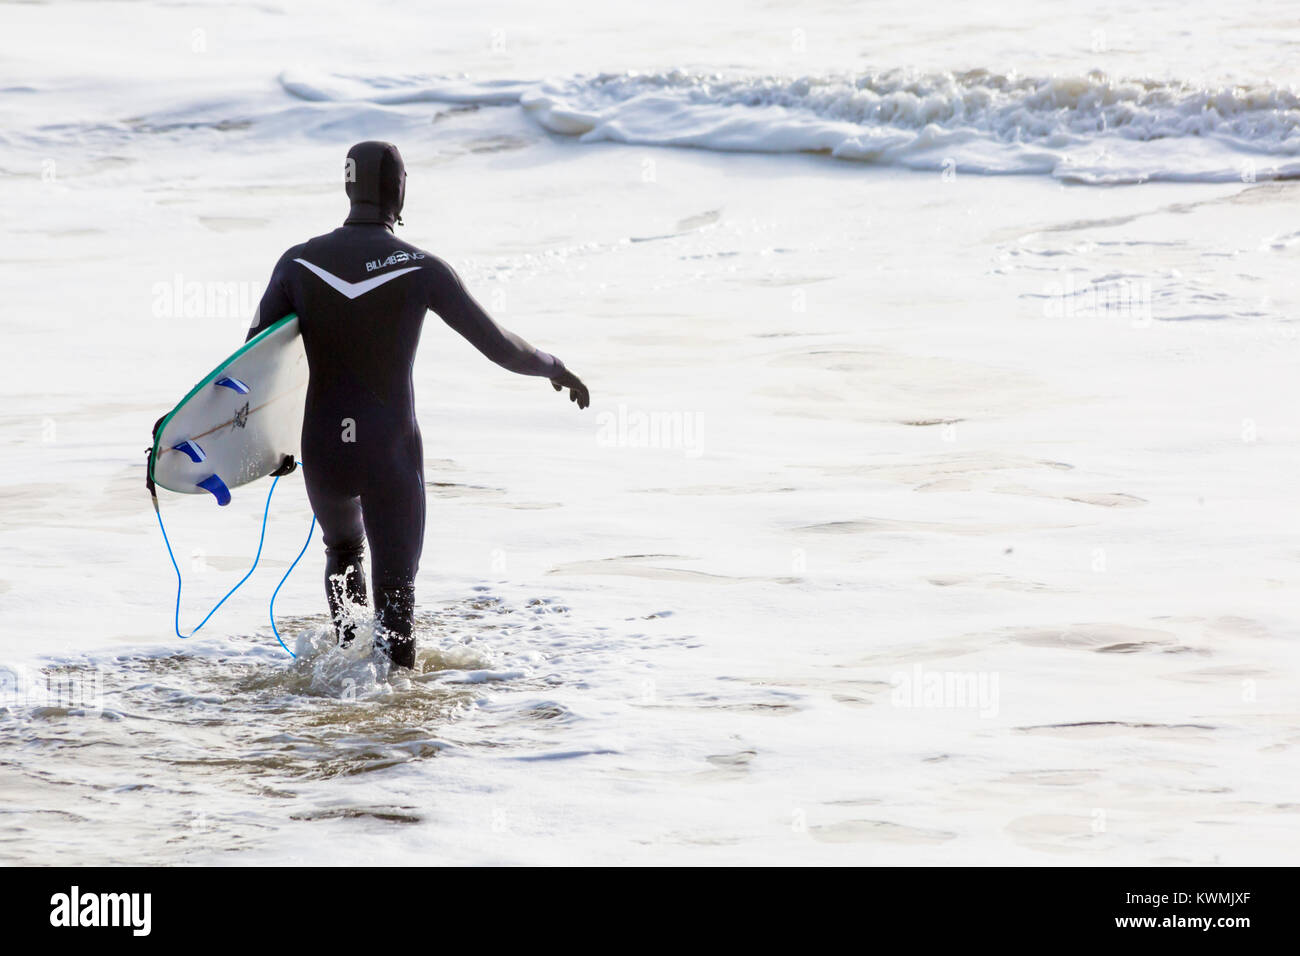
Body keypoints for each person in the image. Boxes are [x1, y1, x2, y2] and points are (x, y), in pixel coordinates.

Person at [246, 141, 589, 668]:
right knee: (397, 606)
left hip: (324, 453)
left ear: (348, 186)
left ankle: (342, 679)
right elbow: (501, 346)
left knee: (342, 553)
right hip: (388, 454)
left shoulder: (297, 262)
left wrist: (254, 445)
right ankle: (390, 719)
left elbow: (251, 367)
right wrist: (554, 366)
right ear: (399, 189)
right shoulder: (423, 268)